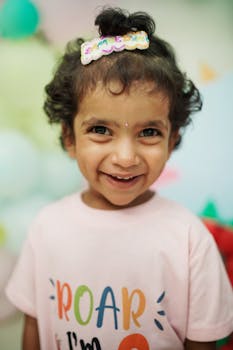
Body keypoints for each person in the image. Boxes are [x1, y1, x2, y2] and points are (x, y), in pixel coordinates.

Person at [6, 7, 233, 350]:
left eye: (149, 132)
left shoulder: (189, 240)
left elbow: (202, 342)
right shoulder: (47, 227)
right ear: (70, 137)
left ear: (172, 141)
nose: (125, 157)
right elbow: (34, 329)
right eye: (100, 130)